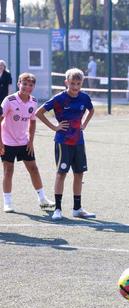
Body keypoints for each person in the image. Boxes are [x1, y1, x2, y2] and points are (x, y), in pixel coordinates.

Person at [35, 68, 95, 221]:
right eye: (72, 83)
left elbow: (91, 110)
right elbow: (39, 113)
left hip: (78, 141)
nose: (75, 87)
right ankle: (58, 209)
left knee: (79, 173)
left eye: (78, 83)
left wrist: (85, 124)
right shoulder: (59, 98)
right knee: (61, 174)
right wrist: (55, 127)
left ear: (82, 83)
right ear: (66, 82)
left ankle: (77, 208)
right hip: (63, 142)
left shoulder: (84, 97)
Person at [0, 73, 54, 213]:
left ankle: (42, 199)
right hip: (7, 142)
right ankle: (8, 202)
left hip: (24, 142)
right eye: (24, 84)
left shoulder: (34, 101)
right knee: (8, 171)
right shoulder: (9, 100)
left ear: (33, 87)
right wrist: (0, 143)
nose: (27, 87)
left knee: (34, 169)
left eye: (30, 85)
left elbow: (33, 121)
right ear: (19, 84)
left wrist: (31, 141)